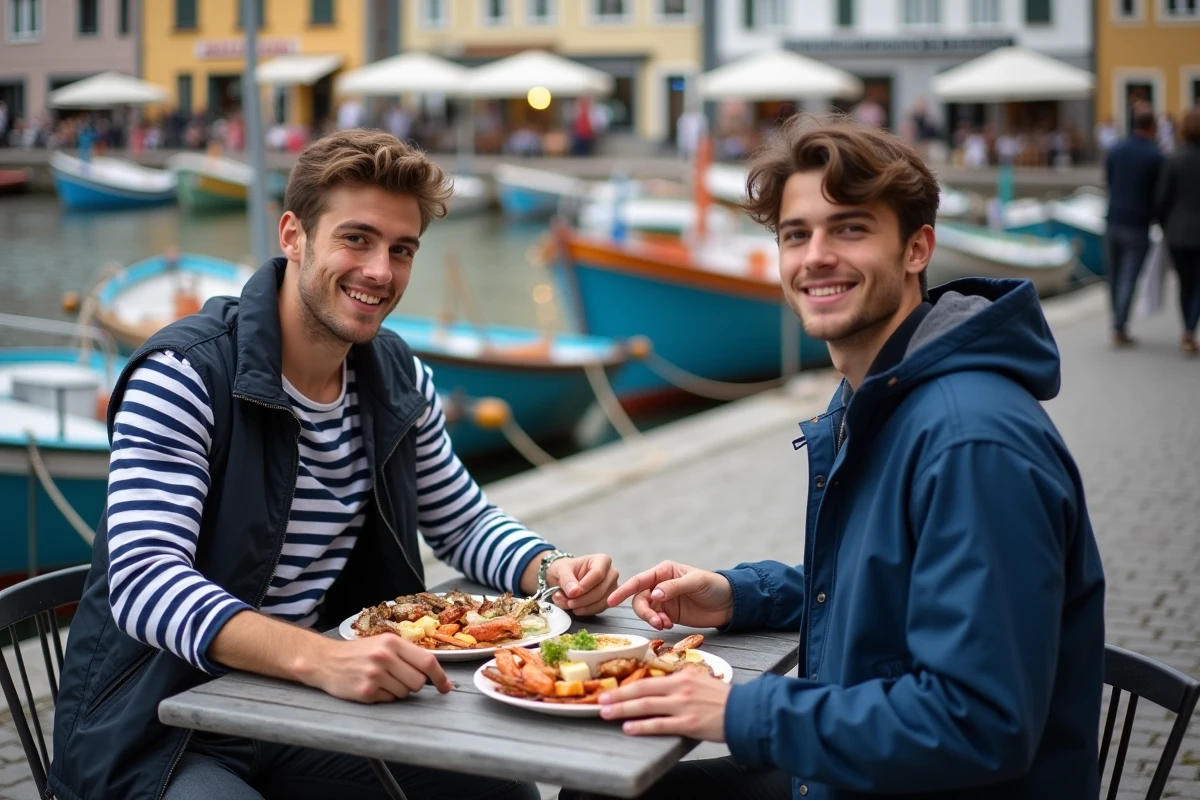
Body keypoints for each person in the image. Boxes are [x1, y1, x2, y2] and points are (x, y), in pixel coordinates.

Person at [49, 129, 622, 800]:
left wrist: (551, 569)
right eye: (356, 239)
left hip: (305, 713)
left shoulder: (397, 375)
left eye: (401, 249)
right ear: (294, 236)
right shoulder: (185, 375)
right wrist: (326, 659)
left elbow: (461, 523)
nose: (380, 271)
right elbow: (146, 584)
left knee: (498, 786)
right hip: (155, 729)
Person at [563, 114, 1106, 799]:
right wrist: (741, 595)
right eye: (797, 235)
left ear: (917, 249)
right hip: (864, 769)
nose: (815, 256)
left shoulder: (972, 442)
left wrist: (739, 712)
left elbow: (979, 723)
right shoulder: (882, 396)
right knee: (599, 787)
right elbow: (895, 582)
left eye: (850, 228)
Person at [1105, 109, 1164, 346]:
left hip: (1112, 220)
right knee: (1128, 278)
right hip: (1137, 224)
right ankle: (1119, 327)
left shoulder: (1116, 149)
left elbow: (1109, 180)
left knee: (1114, 276)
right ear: (1152, 127)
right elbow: (1158, 194)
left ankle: (1116, 322)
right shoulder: (1156, 156)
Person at [1156, 106, 1200, 355]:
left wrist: (1166, 227)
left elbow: (1161, 200)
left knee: (1185, 284)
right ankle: (1190, 331)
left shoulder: (1173, 160)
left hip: (1177, 233)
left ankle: (1187, 329)